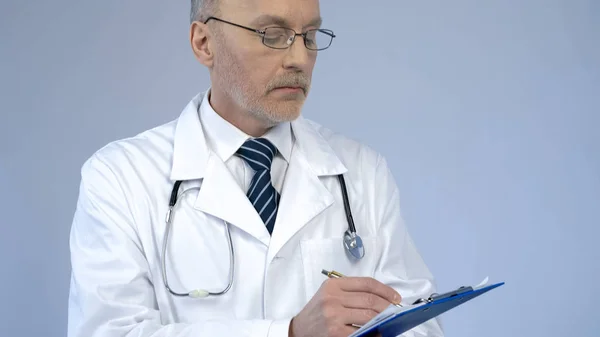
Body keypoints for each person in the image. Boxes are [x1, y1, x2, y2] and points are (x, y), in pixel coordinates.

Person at [67, 0, 444, 336]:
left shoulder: (362, 171)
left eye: (310, 35)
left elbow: (419, 321)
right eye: (272, 34)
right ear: (204, 43)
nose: (299, 57)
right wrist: (289, 333)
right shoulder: (119, 177)